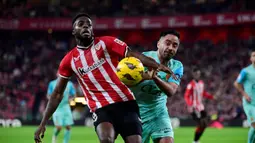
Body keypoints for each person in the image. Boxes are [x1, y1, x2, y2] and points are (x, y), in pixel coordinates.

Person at [34, 13, 176, 143]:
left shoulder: (107, 43)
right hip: (101, 108)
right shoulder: (69, 60)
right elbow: (57, 93)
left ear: (92, 29)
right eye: (81, 24)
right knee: (106, 140)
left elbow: (133, 55)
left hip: (126, 102)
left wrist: (156, 65)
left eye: (89, 24)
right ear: (73, 31)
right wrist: (43, 123)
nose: (85, 26)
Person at [130, 30, 183, 143]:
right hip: (137, 115)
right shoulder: (144, 58)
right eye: (167, 43)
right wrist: (144, 77)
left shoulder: (177, 66)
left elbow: (171, 91)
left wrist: (154, 77)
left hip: (159, 114)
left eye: (175, 45)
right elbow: (127, 83)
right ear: (158, 44)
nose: (170, 48)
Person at [184, 67, 214, 143]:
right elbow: (186, 96)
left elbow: (203, 93)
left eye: (199, 74)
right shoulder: (190, 85)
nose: (198, 75)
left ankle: (196, 140)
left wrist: (211, 97)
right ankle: (195, 141)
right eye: (196, 74)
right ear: (193, 75)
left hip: (201, 107)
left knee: (205, 125)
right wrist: (190, 105)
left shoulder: (201, 83)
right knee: (201, 124)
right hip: (194, 108)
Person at [234, 49, 255, 143]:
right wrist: (245, 94)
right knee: (254, 125)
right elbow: (236, 83)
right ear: (251, 58)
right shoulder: (246, 71)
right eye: (254, 55)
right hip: (250, 103)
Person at [47, 78, 76, 143]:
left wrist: (70, 99)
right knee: (59, 127)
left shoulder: (70, 84)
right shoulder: (52, 83)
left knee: (68, 127)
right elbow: (48, 95)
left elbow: (74, 95)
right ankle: (55, 135)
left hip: (66, 107)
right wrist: (52, 101)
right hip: (57, 108)